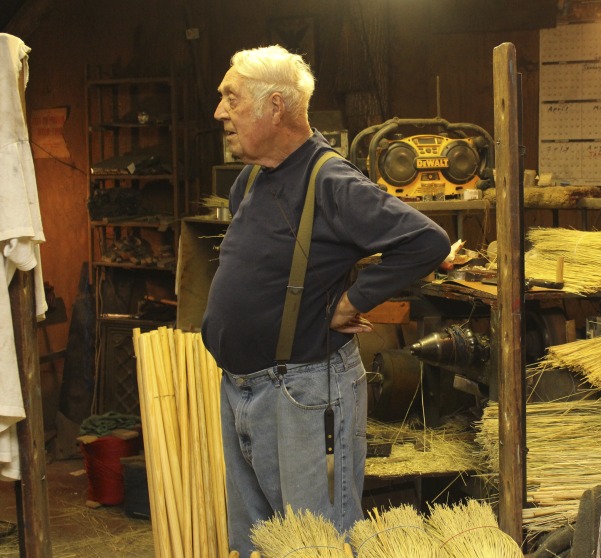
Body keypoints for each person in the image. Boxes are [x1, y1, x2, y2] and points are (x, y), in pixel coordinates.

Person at [201, 45, 451, 554]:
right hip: (242, 388)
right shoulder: (250, 179)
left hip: (301, 391)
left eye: (231, 98)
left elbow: (427, 242)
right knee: (256, 543)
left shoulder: (332, 181)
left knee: (316, 544)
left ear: (275, 107)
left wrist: (353, 300)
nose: (219, 112)